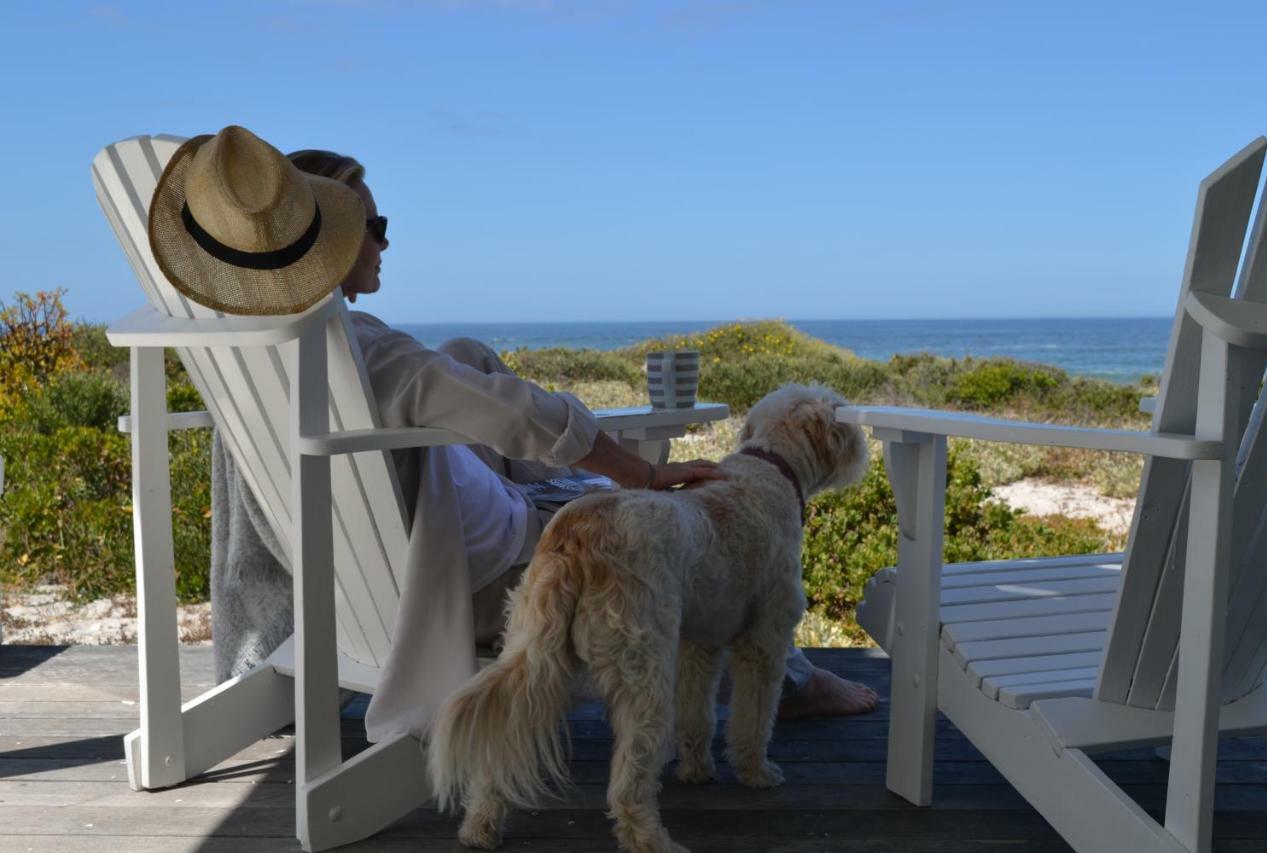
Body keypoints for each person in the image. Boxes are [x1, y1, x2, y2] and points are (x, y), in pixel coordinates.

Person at [202, 133, 877, 740]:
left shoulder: (267, 352)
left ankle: (567, 490)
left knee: (466, 352)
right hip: (467, 583)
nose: (385, 240)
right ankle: (788, 679)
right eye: (374, 224)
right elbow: (515, 412)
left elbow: (474, 394)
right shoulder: (367, 356)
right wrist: (637, 474)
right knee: (678, 543)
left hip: (361, 562)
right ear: (335, 238)